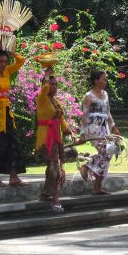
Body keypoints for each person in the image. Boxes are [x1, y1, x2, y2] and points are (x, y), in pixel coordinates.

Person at [0, 50, 27, 187]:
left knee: (14, 143)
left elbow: (21, 61)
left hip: (7, 113)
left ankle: (13, 177)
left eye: (5, 61)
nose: (3, 64)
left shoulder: (7, 71)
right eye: (0, 61)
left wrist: (11, 52)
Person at [36, 67, 71, 211]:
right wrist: (46, 75)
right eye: (52, 84)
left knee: (53, 165)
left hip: (57, 136)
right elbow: (44, 89)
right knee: (55, 166)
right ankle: (55, 199)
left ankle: (45, 193)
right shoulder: (42, 98)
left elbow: (61, 118)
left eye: (56, 84)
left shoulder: (56, 101)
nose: (54, 87)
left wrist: (67, 129)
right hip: (46, 137)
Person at [80, 70, 121, 195]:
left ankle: (96, 186)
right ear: (96, 80)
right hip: (93, 128)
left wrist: (113, 127)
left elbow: (107, 112)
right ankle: (87, 166)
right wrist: (82, 132)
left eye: (105, 79)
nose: (105, 81)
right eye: (103, 79)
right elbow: (84, 115)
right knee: (105, 151)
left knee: (108, 153)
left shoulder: (105, 94)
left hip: (104, 128)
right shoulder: (89, 96)